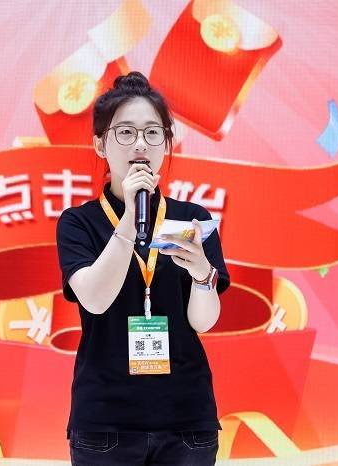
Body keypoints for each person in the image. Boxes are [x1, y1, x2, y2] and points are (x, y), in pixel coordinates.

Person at [56, 71, 230, 466]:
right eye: (125, 132)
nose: (140, 144)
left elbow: (203, 322)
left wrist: (202, 273)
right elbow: (95, 300)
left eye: (153, 133)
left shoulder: (191, 220)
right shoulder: (79, 223)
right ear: (100, 144)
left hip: (186, 421)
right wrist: (129, 219)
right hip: (105, 423)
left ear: (166, 144)